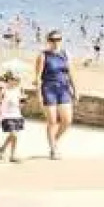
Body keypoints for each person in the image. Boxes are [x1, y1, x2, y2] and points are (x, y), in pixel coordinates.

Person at [33, 30, 77, 160]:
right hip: (49, 89)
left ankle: (53, 142)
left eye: (58, 39)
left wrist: (75, 89)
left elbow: (71, 73)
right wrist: (39, 94)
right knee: (52, 121)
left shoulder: (65, 54)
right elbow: (37, 78)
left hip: (64, 88)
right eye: (52, 40)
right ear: (48, 41)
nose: (55, 42)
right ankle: (53, 148)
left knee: (67, 121)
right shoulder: (43, 56)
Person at [0, 74, 26, 162]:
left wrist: (23, 100)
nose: (16, 82)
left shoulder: (20, 90)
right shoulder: (4, 90)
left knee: (13, 135)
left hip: (17, 115)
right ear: (9, 80)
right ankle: (12, 155)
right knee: (14, 134)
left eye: (18, 80)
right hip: (6, 116)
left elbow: (21, 105)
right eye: (14, 79)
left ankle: (3, 149)